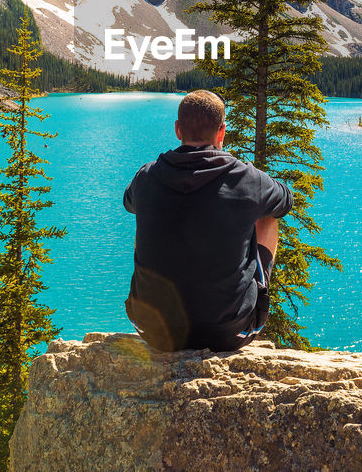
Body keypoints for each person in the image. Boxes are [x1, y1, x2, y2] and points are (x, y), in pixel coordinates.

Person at [123, 89, 292, 351]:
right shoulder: (247, 178)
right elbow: (286, 201)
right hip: (229, 334)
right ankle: (254, 289)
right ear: (221, 131)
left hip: (153, 330)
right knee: (268, 216)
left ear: (178, 130)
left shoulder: (147, 176)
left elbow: (128, 203)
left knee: (143, 213)